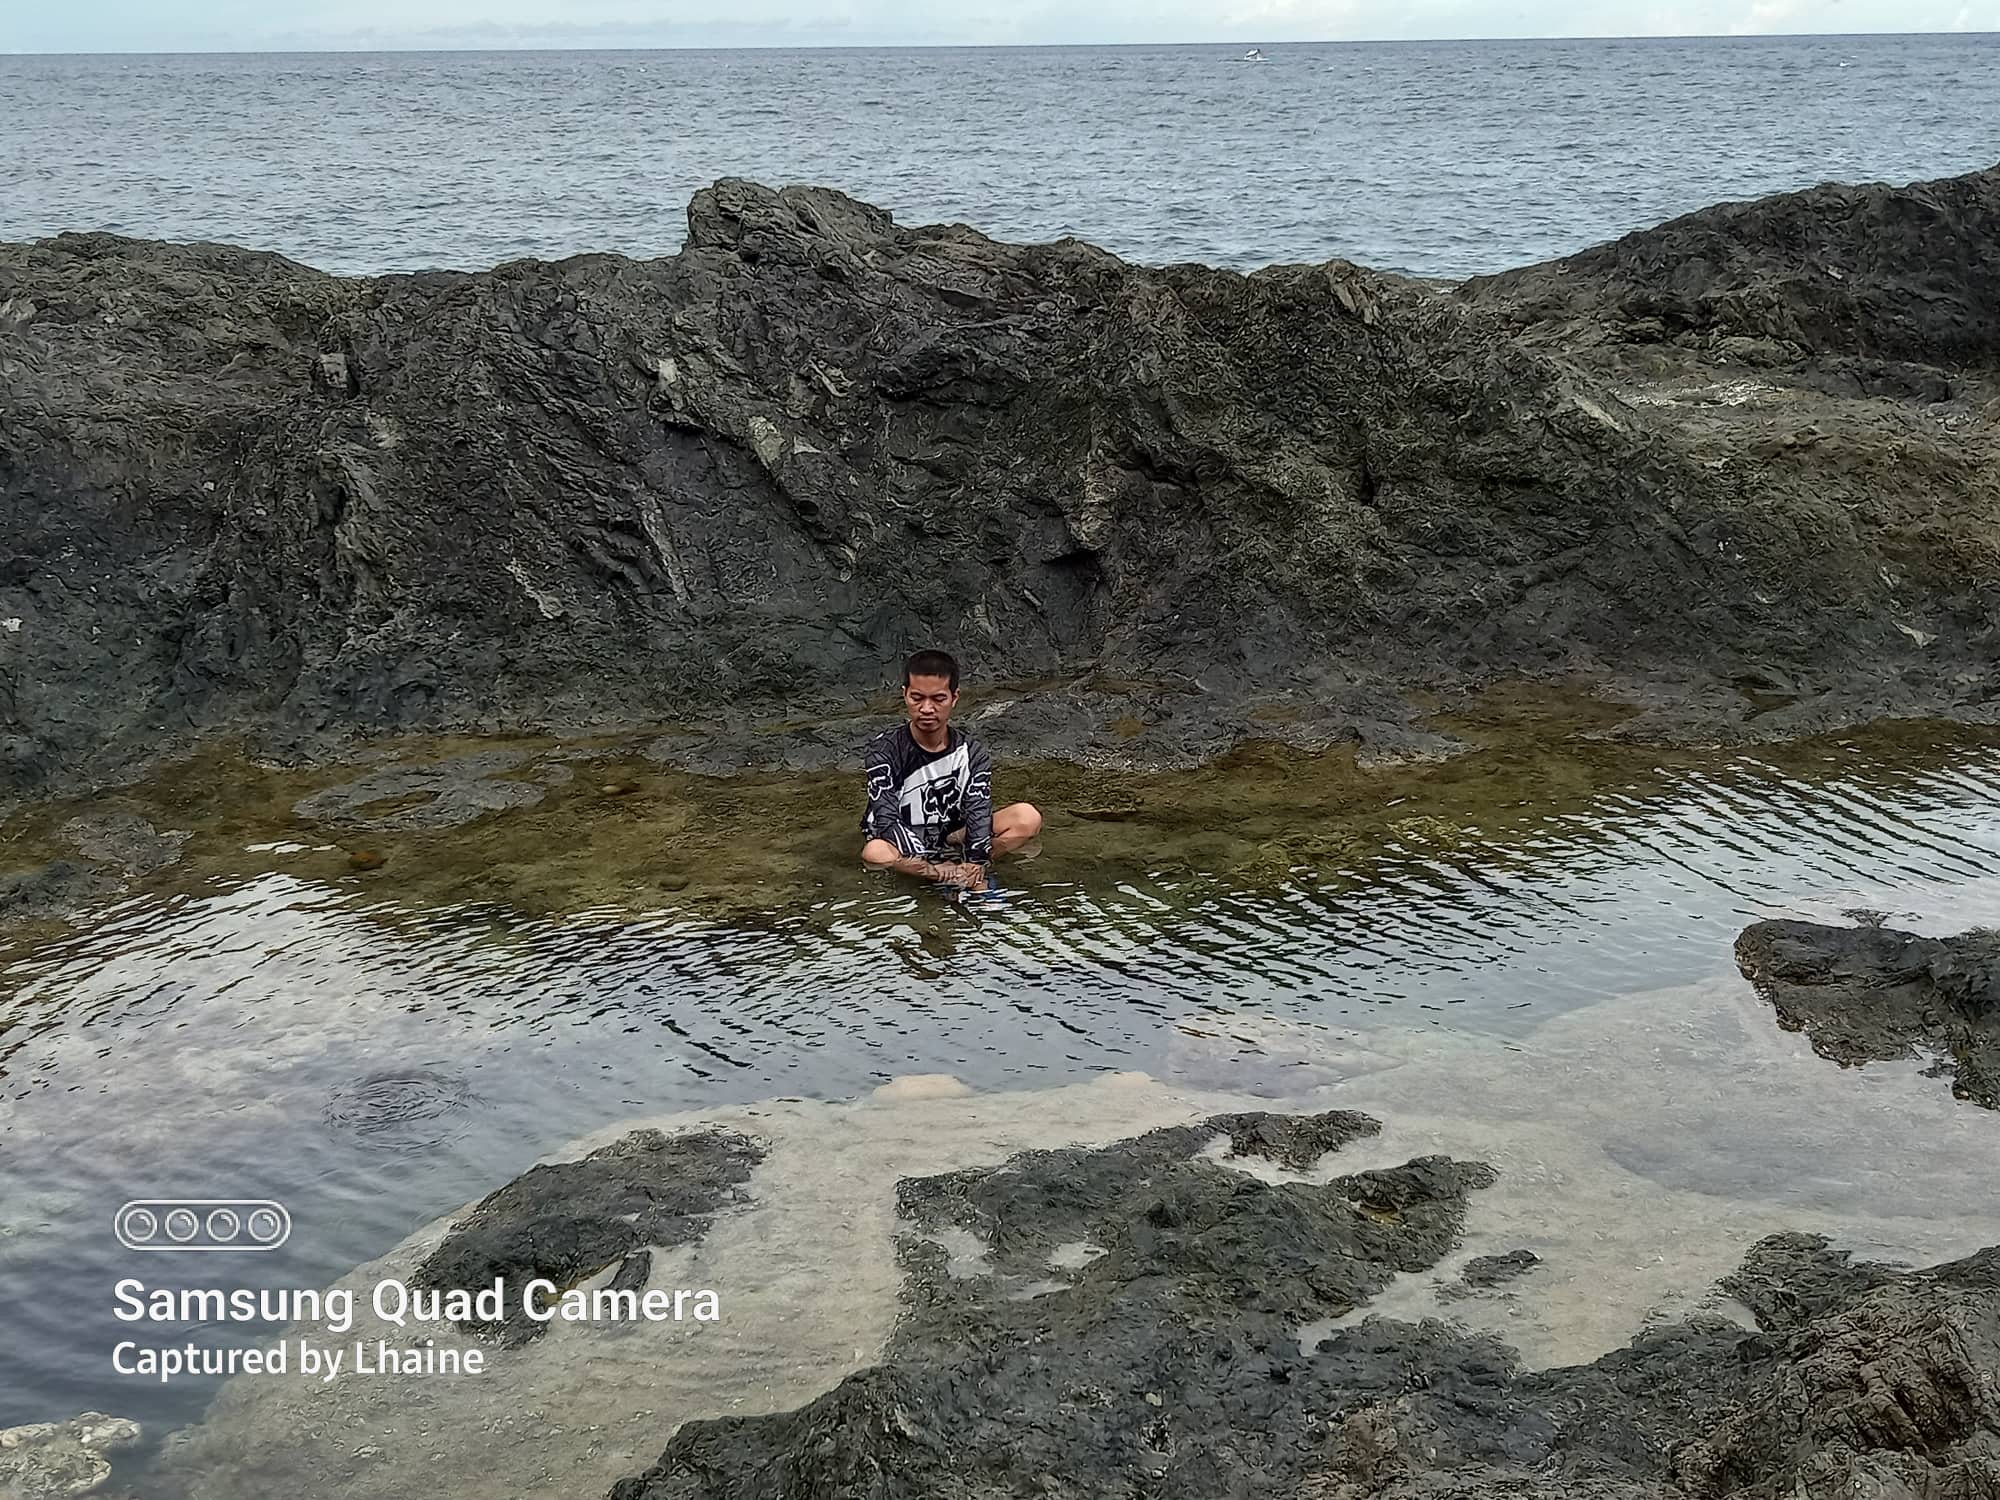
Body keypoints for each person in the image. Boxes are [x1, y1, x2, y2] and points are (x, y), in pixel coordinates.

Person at [860, 650, 1042, 892]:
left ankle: (967, 872)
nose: (926, 708)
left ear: (954, 698)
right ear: (904, 695)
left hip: (951, 833)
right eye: (917, 698)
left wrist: (974, 862)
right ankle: (942, 876)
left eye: (938, 699)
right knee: (875, 852)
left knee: (1026, 817)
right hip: (900, 839)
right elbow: (885, 819)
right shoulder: (884, 750)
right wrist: (932, 867)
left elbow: (979, 809)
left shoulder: (971, 752)